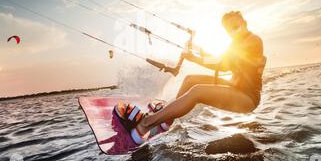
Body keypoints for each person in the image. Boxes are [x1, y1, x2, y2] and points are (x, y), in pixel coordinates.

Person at [114, 10, 267, 145]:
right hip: (234, 87)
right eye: (229, 30)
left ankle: (145, 124)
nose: (233, 32)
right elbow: (222, 60)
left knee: (197, 91)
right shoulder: (235, 43)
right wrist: (199, 50)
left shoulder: (254, 41)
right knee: (190, 80)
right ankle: (166, 119)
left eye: (236, 26)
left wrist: (194, 57)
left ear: (245, 23)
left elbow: (222, 63)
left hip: (248, 97)